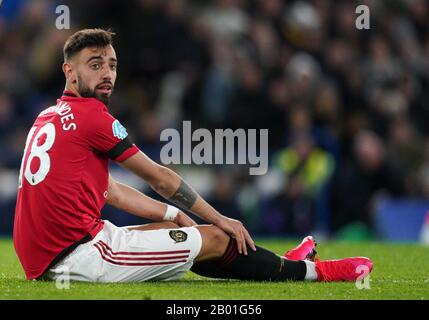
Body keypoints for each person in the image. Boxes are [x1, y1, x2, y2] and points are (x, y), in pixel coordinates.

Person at [13, 28, 373, 284]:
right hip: (80, 256)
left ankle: (278, 263)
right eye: (95, 65)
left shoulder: (49, 115)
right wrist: (222, 219)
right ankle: (316, 273)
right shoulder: (93, 117)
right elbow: (160, 178)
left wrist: (174, 214)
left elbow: (109, 189)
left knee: (181, 232)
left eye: (112, 64)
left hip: (52, 254)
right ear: (69, 71)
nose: (107, 74)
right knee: (216, 237)